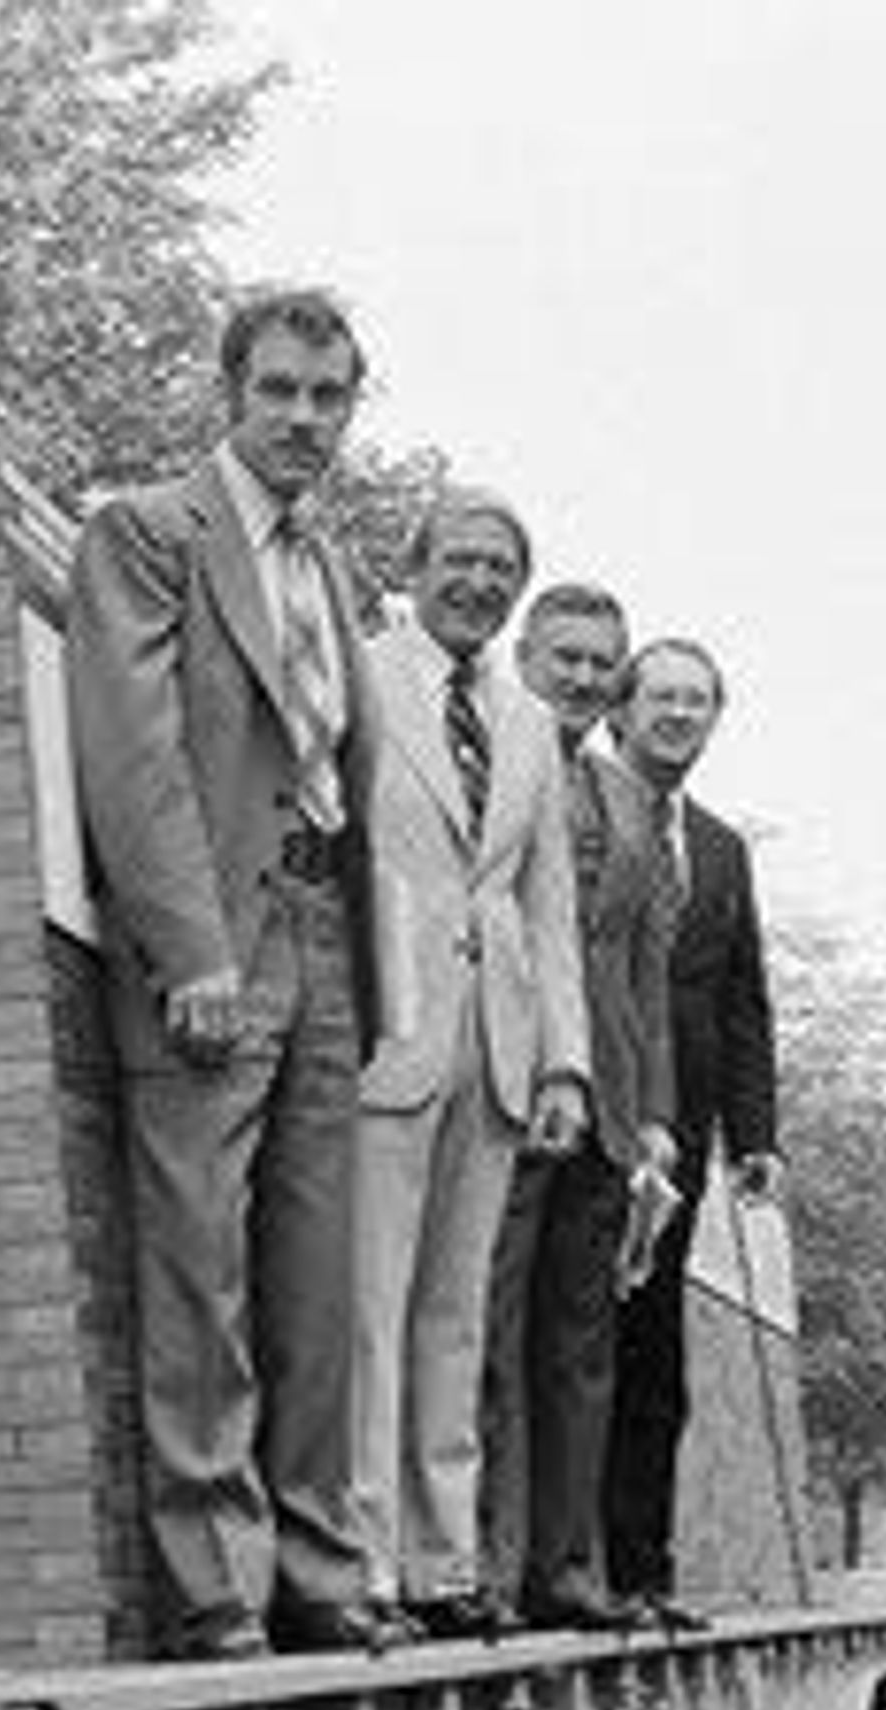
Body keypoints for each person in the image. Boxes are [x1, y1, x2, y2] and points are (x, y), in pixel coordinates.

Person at [65, 283, 397, 1661]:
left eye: (329, 399)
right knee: (201, 1269)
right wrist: (189, 948)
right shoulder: (148, 533)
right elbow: (135, 758)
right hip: (219, 941)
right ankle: (216, 1585)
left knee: (315, 1281)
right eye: (280, 392)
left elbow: (340, 771)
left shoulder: (330, 566)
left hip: (326, 931)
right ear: (230, 392)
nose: (304, 421)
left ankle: (322, 1571)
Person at [345, 491, 590, 1639]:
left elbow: (549, 912)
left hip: (495, 1046)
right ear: (416, 565)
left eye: (501, 567)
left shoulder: (527, 722)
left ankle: (443, 1565)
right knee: (367, 1306)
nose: (479, 583)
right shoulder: (354, 673)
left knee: (454, 1317)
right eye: (460, 561)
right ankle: (364, 1564)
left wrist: (564, 1068)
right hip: (386, 1027)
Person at [480, 583, 680, 1630]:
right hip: (506, 1089)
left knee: (582, 1351)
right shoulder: (490, 762)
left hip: (606, 1115)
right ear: (525, 657)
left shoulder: (628, 798)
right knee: (490, 1337)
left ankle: (571, 1568)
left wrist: (652, 1117)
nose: (586, 678)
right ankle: (493, 1570)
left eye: (604, 663)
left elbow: (647, 976)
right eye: (567, 657)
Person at [601, 638, 780, 1619]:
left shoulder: (720, 847)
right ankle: (571, 1564)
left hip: (685, 1133)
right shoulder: (578, 807)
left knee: (655, 1360)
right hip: (597, 1114)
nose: (677, 715)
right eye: (661, 696)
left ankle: (641, 1567)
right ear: (623, 709)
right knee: (582, 1348)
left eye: (697, 701)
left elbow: (743, 999)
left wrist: (756, 1133)